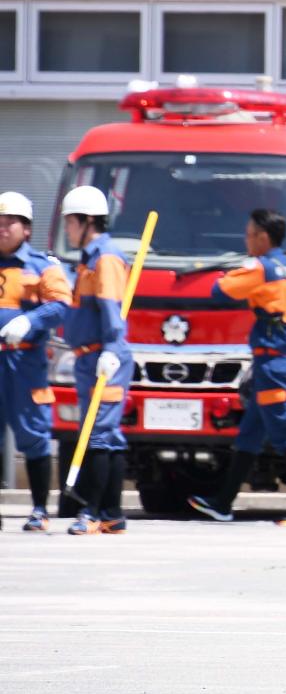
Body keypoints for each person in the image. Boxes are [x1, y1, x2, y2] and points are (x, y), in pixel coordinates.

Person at [190, 209, 286, 526]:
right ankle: (222, 504)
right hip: (275, 361)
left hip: (274, 364)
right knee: (249, 436)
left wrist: (228, 273)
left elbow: (220, 290)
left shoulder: (261, 268)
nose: (246, 239)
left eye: (249, 234)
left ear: (263, 238)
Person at [59, 187, 133, 535]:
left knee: (99, 436)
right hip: (88, 358)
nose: (68, 230)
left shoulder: (106, 259)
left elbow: (111, 313)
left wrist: (110, 351)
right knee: (107, 436)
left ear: (87, 221)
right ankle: (113, 514)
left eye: (70, 223)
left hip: (105, 358)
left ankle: (91, 511)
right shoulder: (88, 259)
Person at [0, 189, 72, 532]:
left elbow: (61, 303)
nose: (2, 228)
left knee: (33, 434)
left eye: (10, 222)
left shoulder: (42, 266)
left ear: (26, 229)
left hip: (25, 363)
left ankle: (40, 509)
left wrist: (31, 320)